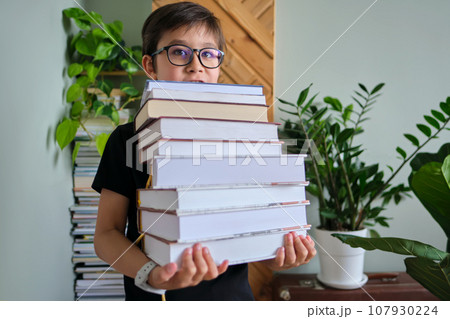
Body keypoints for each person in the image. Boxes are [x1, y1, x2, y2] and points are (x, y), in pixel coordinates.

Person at [93, 1, 316, 301]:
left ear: (218, 66)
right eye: (179, 52)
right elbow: (106, 234)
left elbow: (248, 228)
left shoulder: (246, 137)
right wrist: (153, 275)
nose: (196, 64)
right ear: (150, 65)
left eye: (208, 54)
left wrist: (276, 253)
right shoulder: (126, 139)